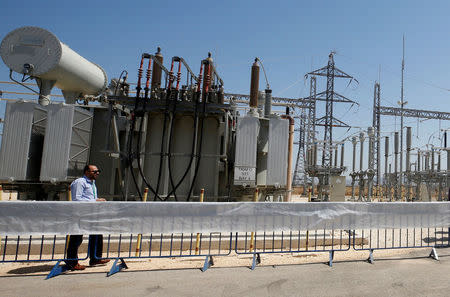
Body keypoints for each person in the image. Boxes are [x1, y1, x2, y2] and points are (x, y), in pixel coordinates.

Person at [65, 164, 110, 270]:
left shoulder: (92, 184)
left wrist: (97, 199)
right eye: (94, 171)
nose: (97, 173)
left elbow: (89, 198)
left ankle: (95, 258)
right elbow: (77, 199)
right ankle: (72, 262)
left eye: (98, 171)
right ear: (86, 172)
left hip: (91, 214)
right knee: (76, 238)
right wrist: (95, 201)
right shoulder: (80, 182)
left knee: (97, 234)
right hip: (80, 214)